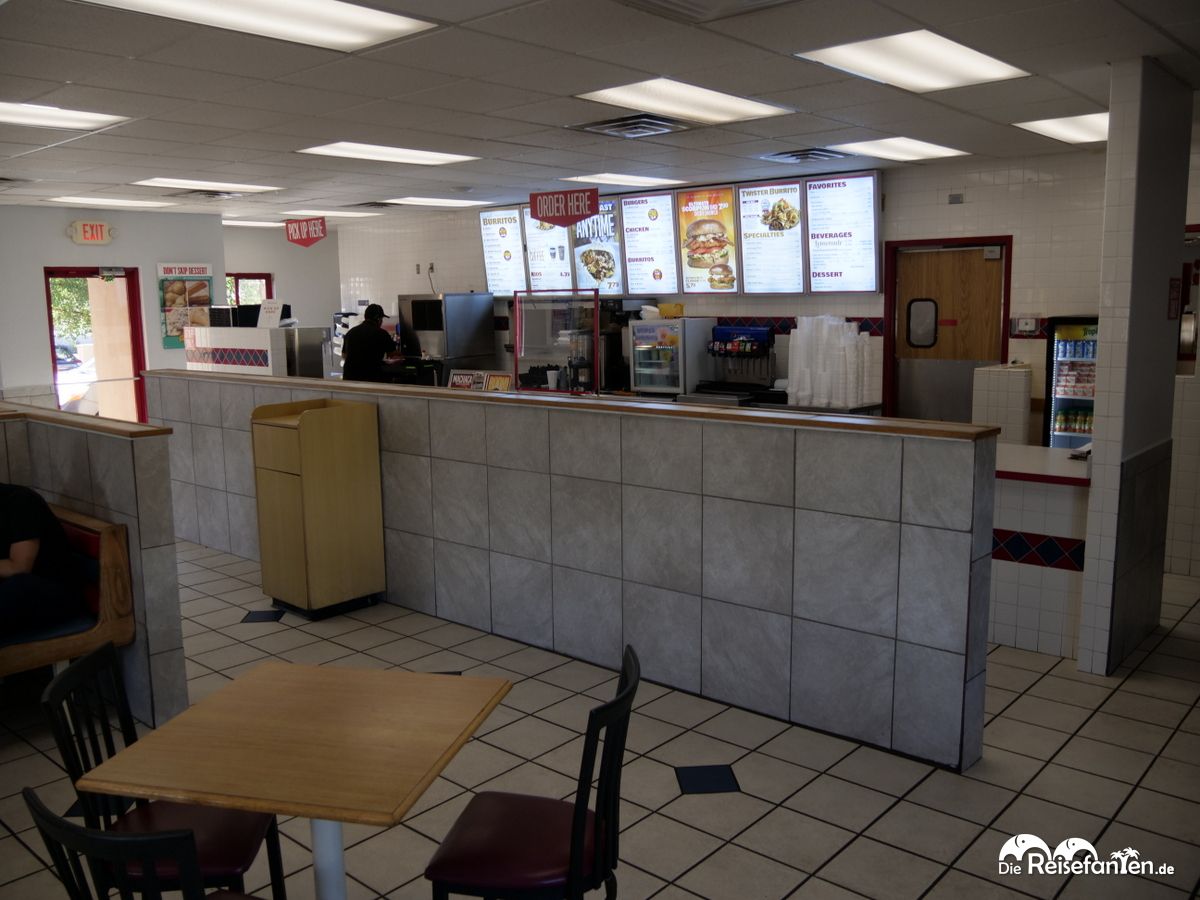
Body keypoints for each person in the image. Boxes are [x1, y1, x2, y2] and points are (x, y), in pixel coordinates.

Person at [0, 482, 86, 636]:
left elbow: (19, 567)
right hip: (17, 595)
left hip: (54, 593)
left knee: (19, 586)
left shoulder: (21, 501)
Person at [341, 303, 397, 382]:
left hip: (350, 379)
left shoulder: (351, 332)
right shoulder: (381, 333)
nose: (382, 322)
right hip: (370, 379)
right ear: (378, 319)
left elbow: (344, 355)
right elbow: (393, 355)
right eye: (381, 319)